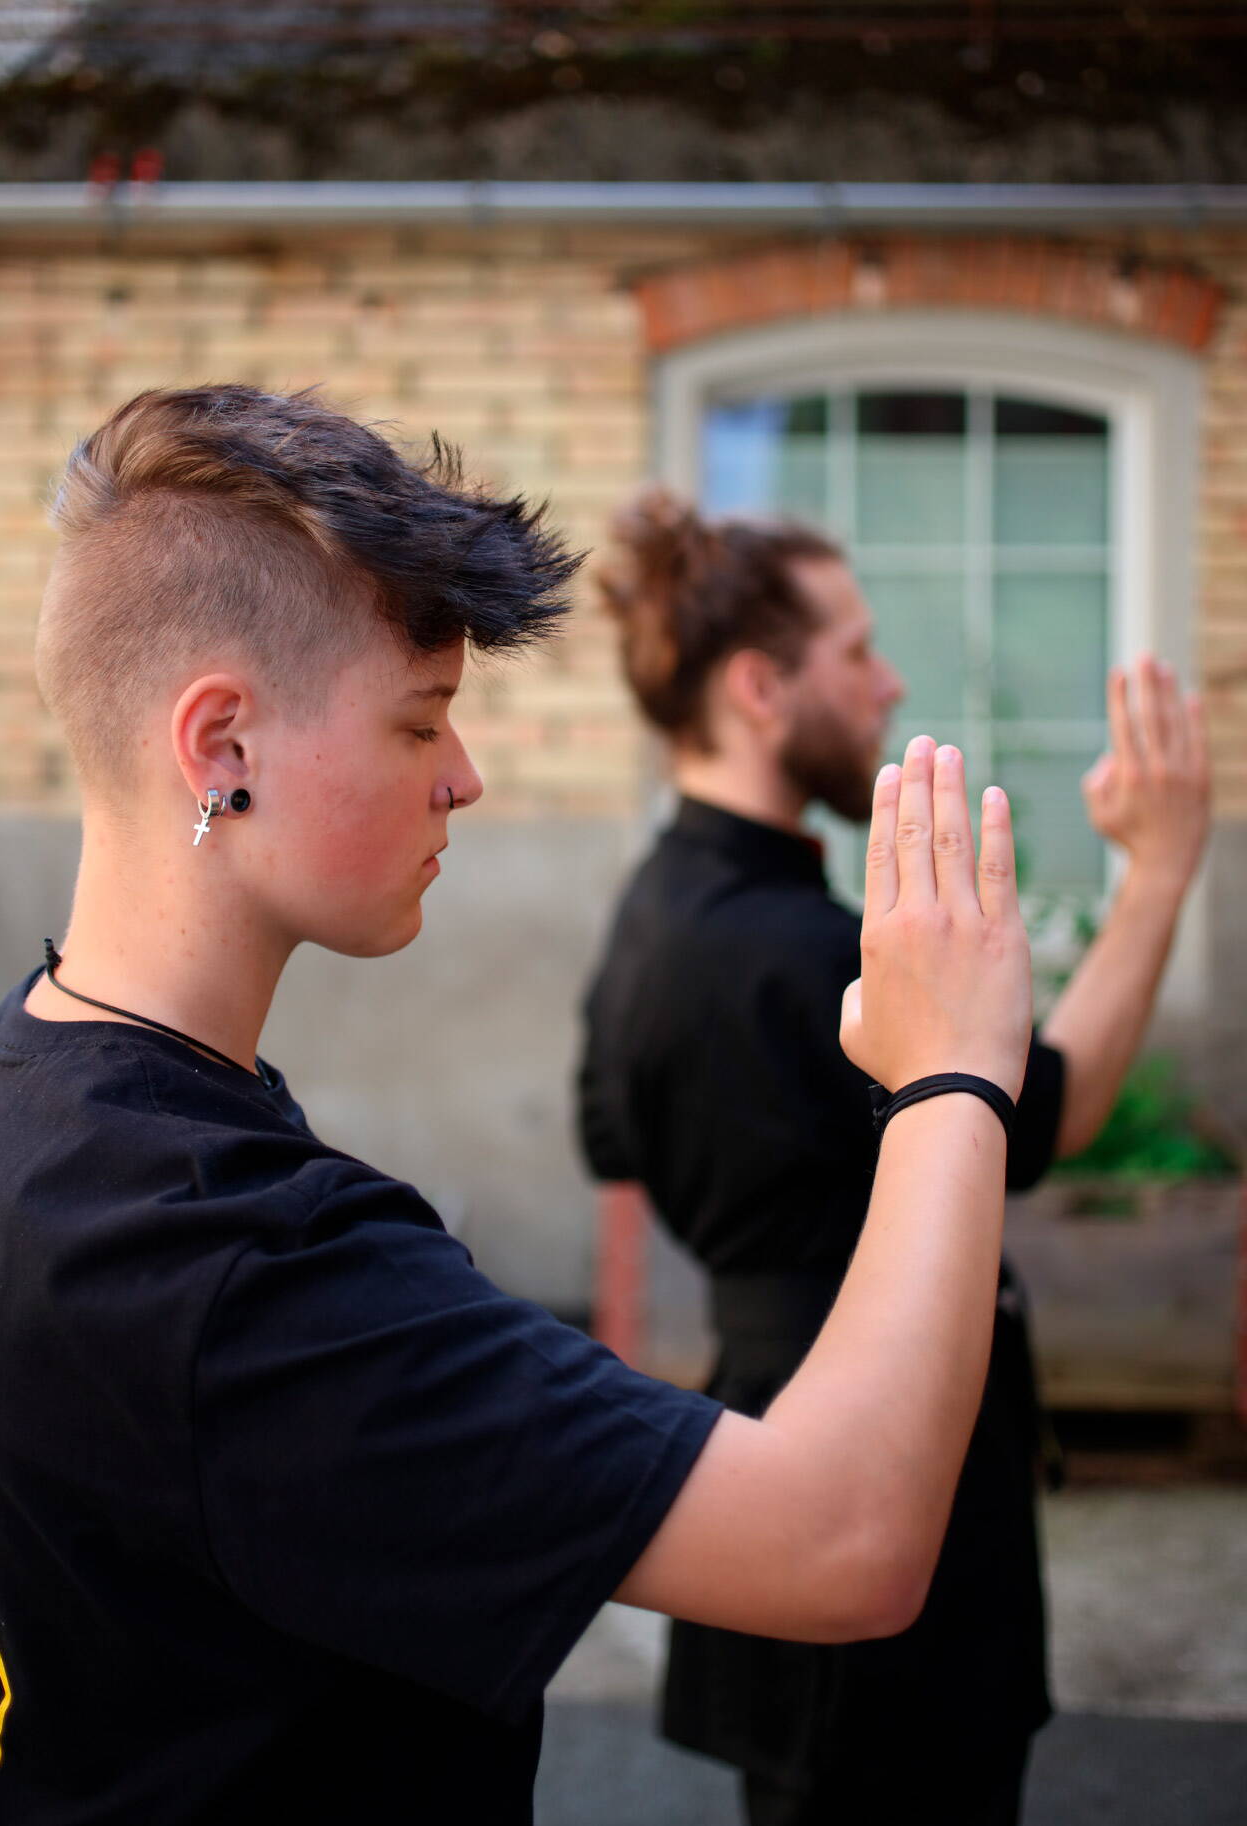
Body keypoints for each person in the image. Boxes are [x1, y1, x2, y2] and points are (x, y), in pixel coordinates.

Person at [0, 385, 1040, 1825]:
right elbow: (844, 1538)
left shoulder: (16, 1092)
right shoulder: (236, 1270)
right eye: (422, 724)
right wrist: (954, 1073)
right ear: (221, 745)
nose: (464, 781)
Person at [577, 489, 1211, 1826]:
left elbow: (608, 1131)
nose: (891, 675)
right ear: (760, 687)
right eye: (856, 649)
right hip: (890, 1482)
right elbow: (1053, 1111)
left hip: (752, 1436)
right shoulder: (807, 953)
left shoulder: (649, 915)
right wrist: (1156, 871)